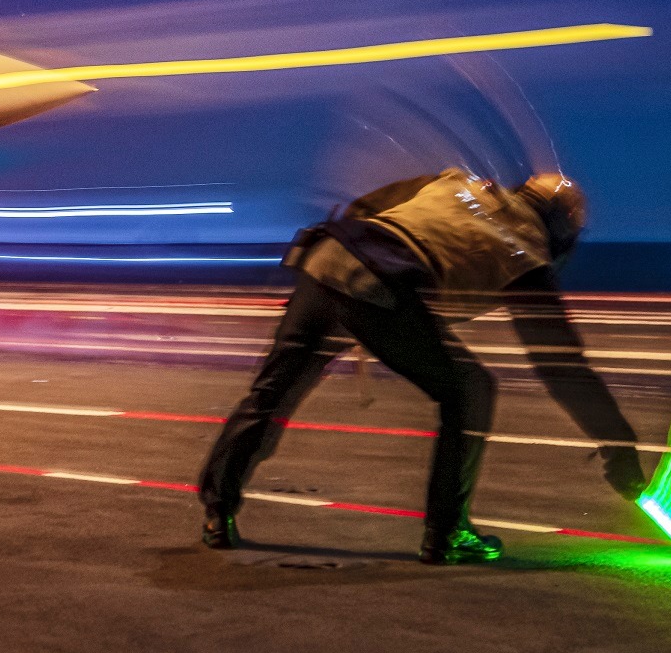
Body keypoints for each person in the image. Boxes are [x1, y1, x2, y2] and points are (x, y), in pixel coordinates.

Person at [197, 168, 646, 564]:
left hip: (326, 262)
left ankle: (218, 512)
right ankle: (446, 533)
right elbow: (563, 368)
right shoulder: (527, 253)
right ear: (563, 227)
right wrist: (618, 444)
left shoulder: (453, 182)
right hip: (378, 288)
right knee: (470, 390)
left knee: (271, 394)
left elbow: (364, 208)